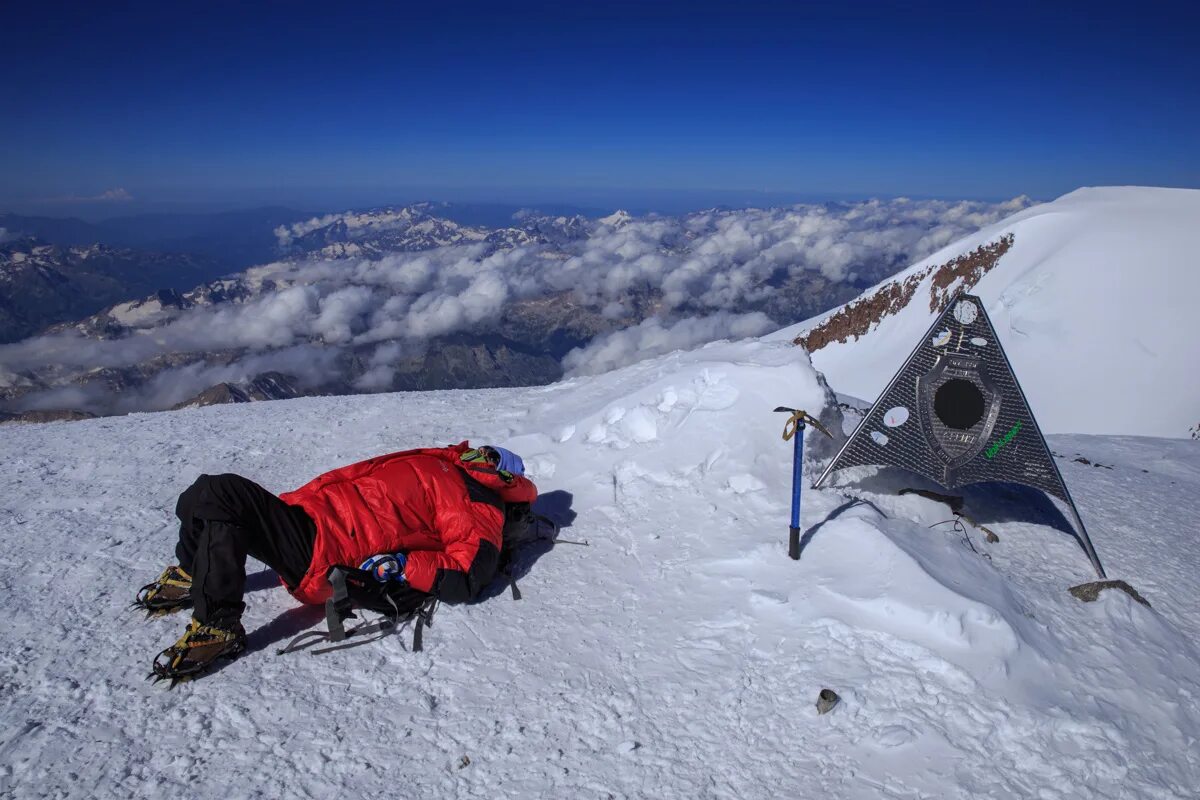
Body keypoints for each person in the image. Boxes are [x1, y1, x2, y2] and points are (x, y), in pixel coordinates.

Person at [136, 442, 536, 681]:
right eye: (480, 450)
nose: (477, 453)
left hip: (325, 550)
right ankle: (195, 572)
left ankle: (219, 624)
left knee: (220, 492)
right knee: (202, 497)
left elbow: (468, 576)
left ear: (502, 477)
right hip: (311, 518)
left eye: (489, 456)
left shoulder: (479, 503)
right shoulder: (447, 462)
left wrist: (402, 565)